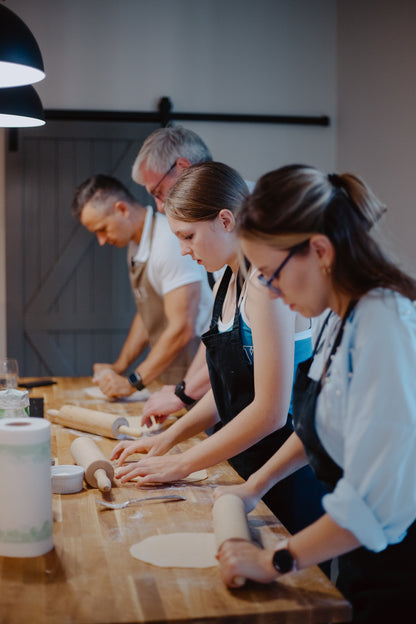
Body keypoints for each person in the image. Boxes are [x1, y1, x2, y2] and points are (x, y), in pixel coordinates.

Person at [214, 164, 416, 623]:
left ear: (320, 251)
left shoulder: (386, 326)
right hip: (357, 552)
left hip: (397, 569)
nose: (269, 290)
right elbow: (319, 426)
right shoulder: (344, 315)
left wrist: (273, 560)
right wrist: (254, 486)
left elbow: (375, 503)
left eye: (269, 273)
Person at [111, 162, 327, 537]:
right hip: (243, 462)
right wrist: (169, 438)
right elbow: (229, 391)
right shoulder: (226, 280)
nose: (182, 250)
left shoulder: (264, 285)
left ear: (226, 221)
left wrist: (183, 465)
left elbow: (270, 412)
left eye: (188, 236)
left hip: (285, 475)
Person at [71, 174, 212, 398]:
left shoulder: (168, 242)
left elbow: (183, 327)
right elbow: (148, 314)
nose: (101, 240)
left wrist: (133, 382)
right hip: (173, 377)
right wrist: (118, 367)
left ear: (122, 210)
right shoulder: (135, 247)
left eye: (102, 229)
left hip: (201, 378)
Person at [132, 125, 215, 419]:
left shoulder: (243, 236)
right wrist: (183, 391)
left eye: (158, 192)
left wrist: (183, 393)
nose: (158, 205)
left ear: (182, 167)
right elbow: (217, 337)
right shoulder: (219, 261)